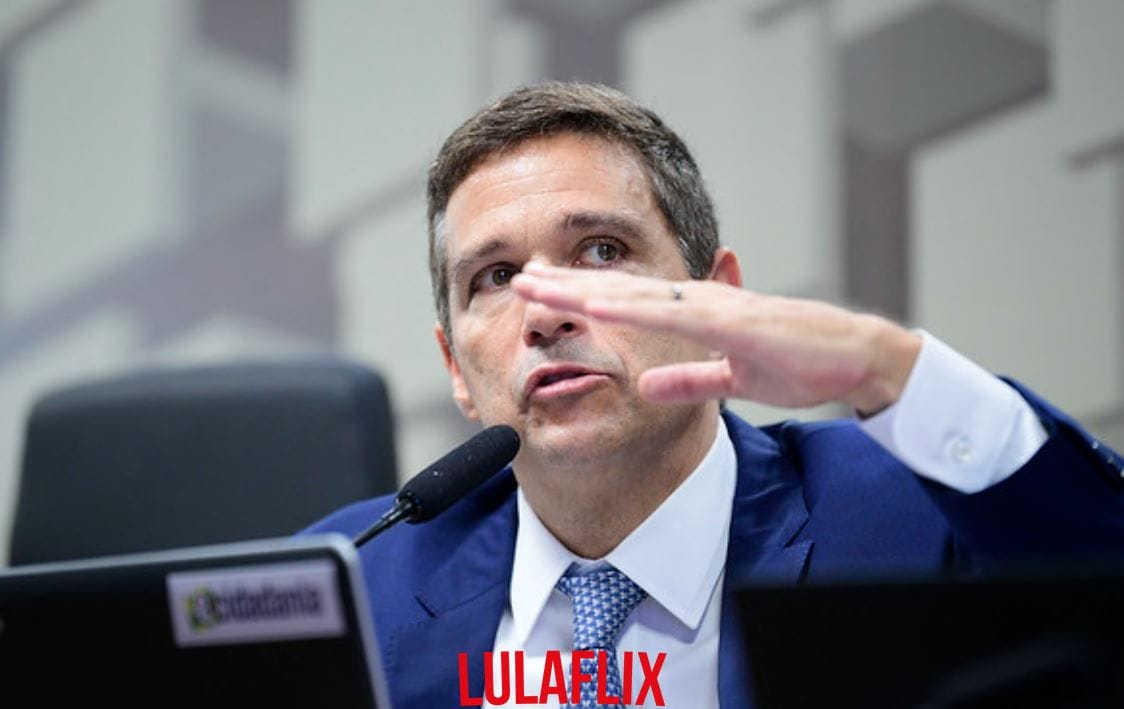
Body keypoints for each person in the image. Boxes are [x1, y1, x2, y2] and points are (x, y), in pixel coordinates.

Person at [306, 82, 1124, 708]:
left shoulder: (911, 517)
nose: (545, 311)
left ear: (718, 300)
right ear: (455, 366)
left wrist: (890, 371)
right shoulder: (351, 581)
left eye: (600, 250)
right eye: (495, 276)